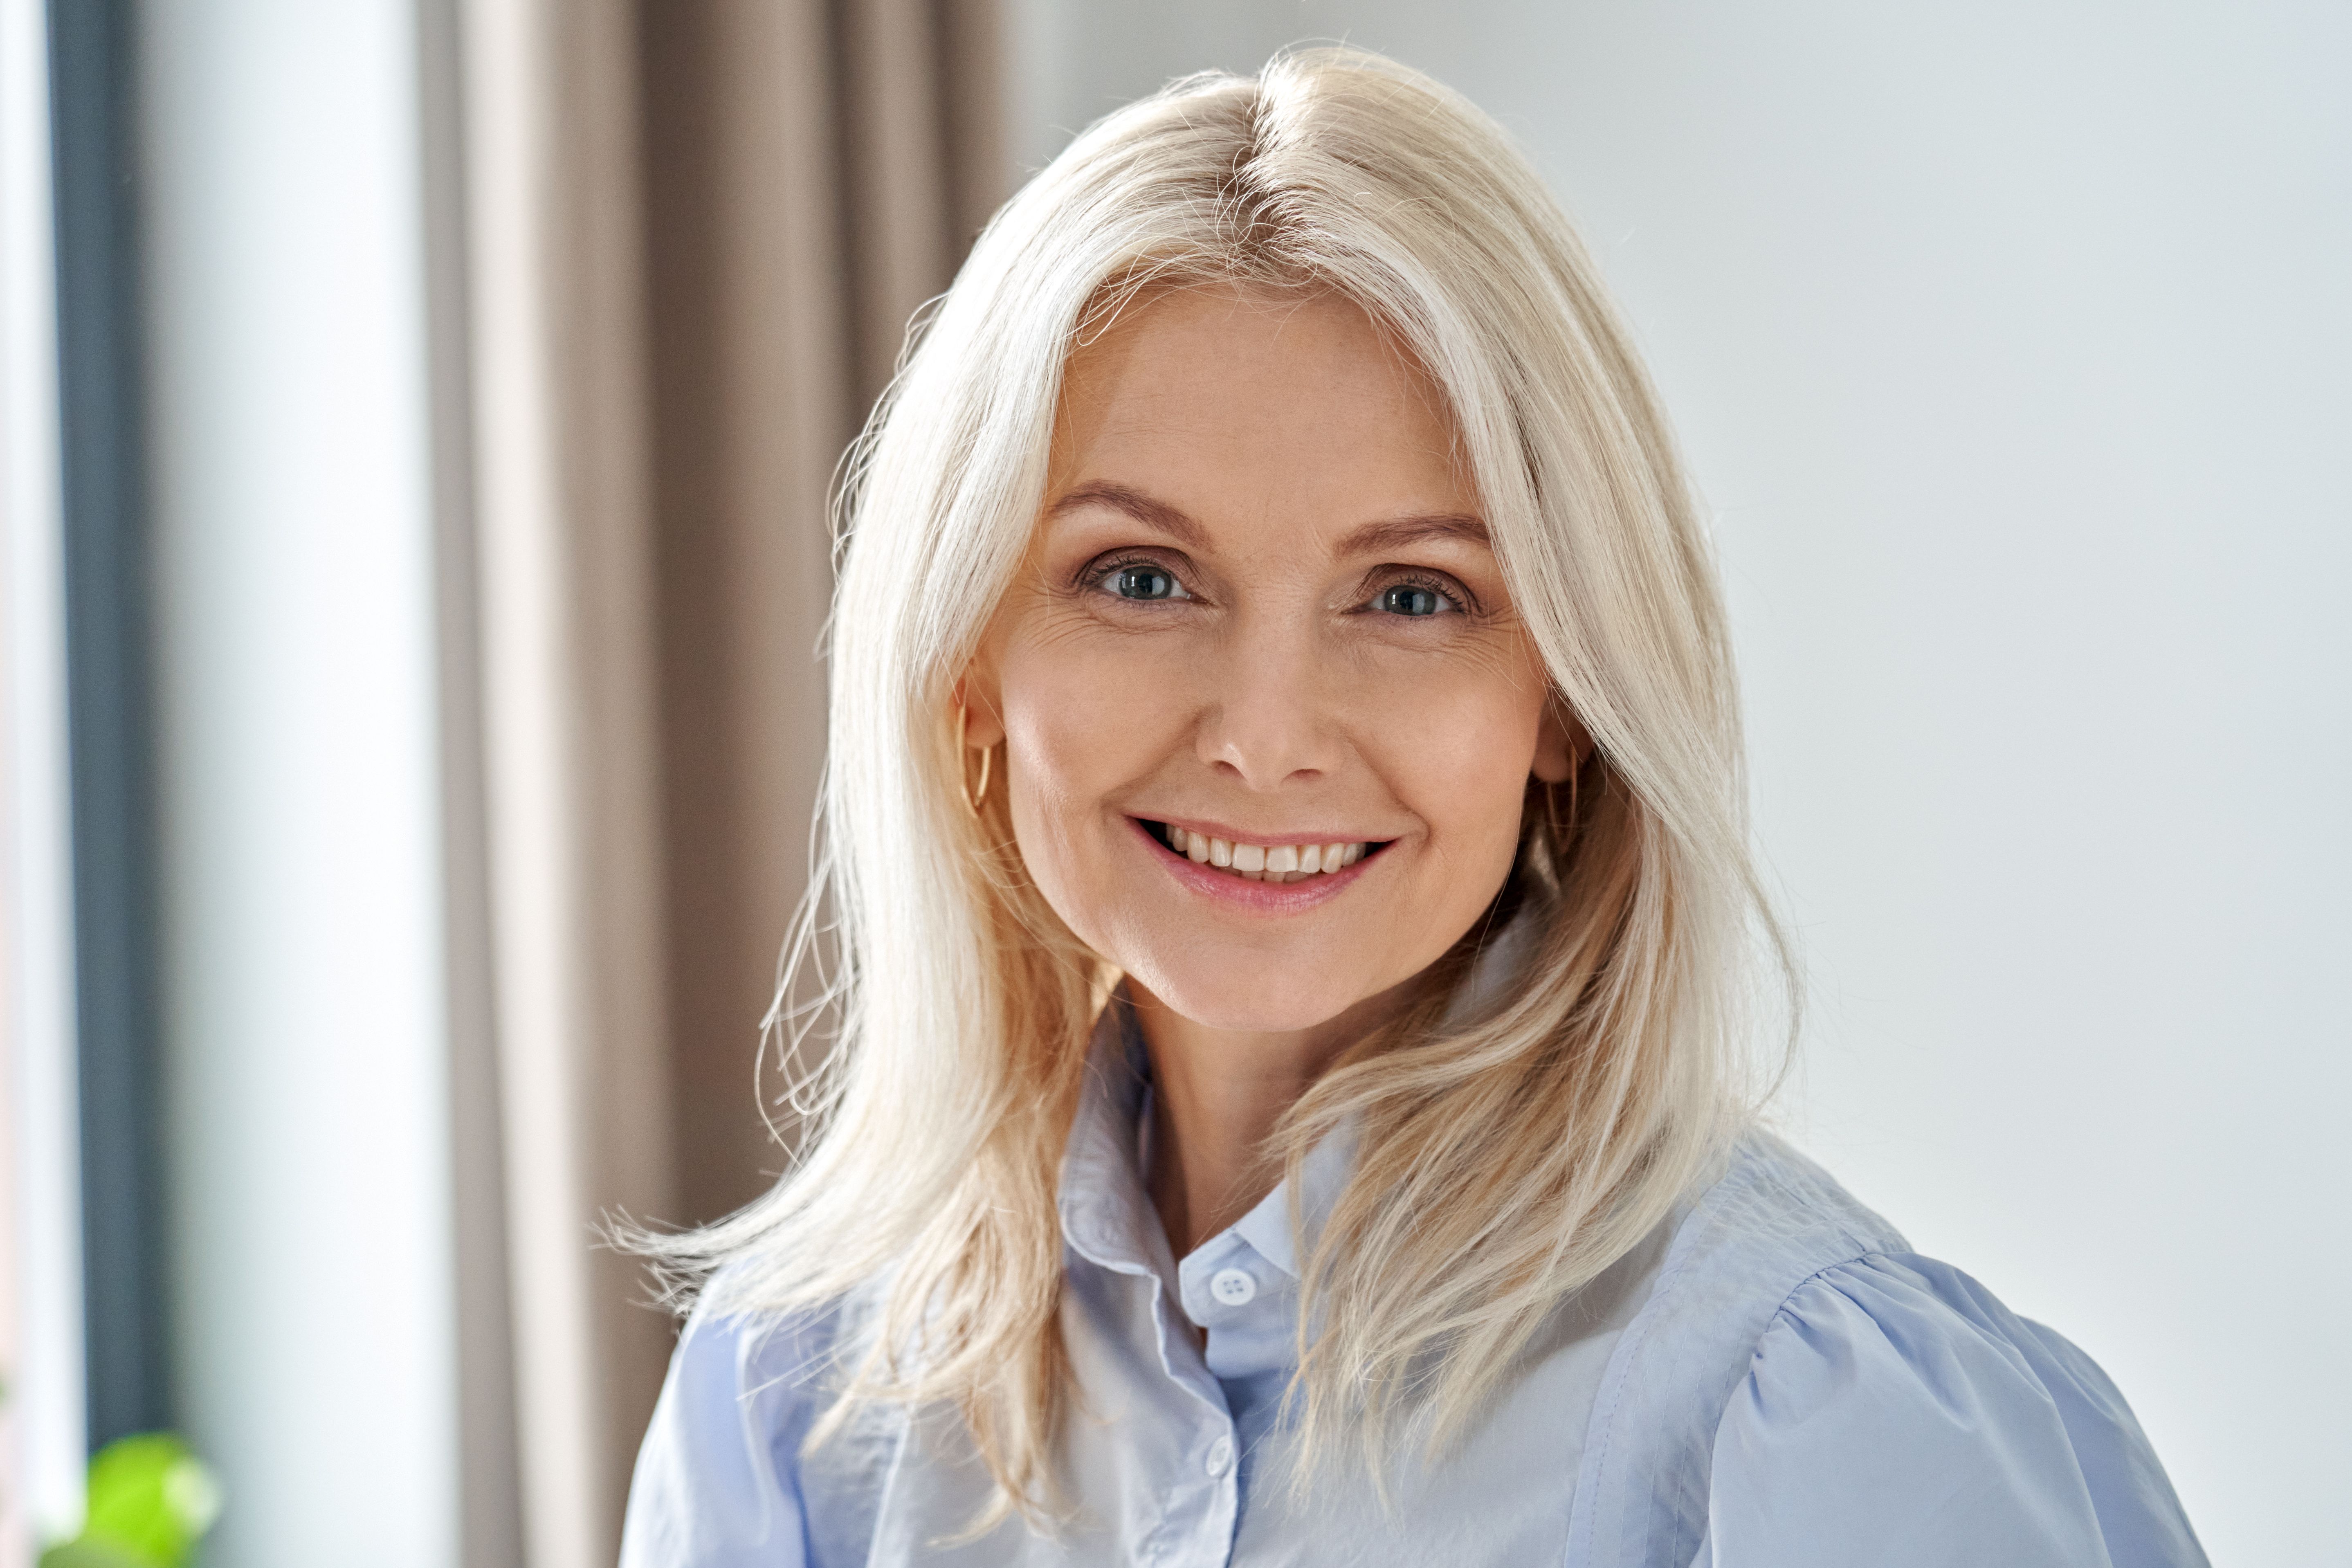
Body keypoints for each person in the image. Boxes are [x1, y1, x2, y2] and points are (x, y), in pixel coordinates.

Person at [618, 48, 2205, 1568]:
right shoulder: (790, 1393)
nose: (1262, 736)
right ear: (967, 664)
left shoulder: (1813, 1420)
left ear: (1568, 698)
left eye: (1411, 594)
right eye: (1141, 575)